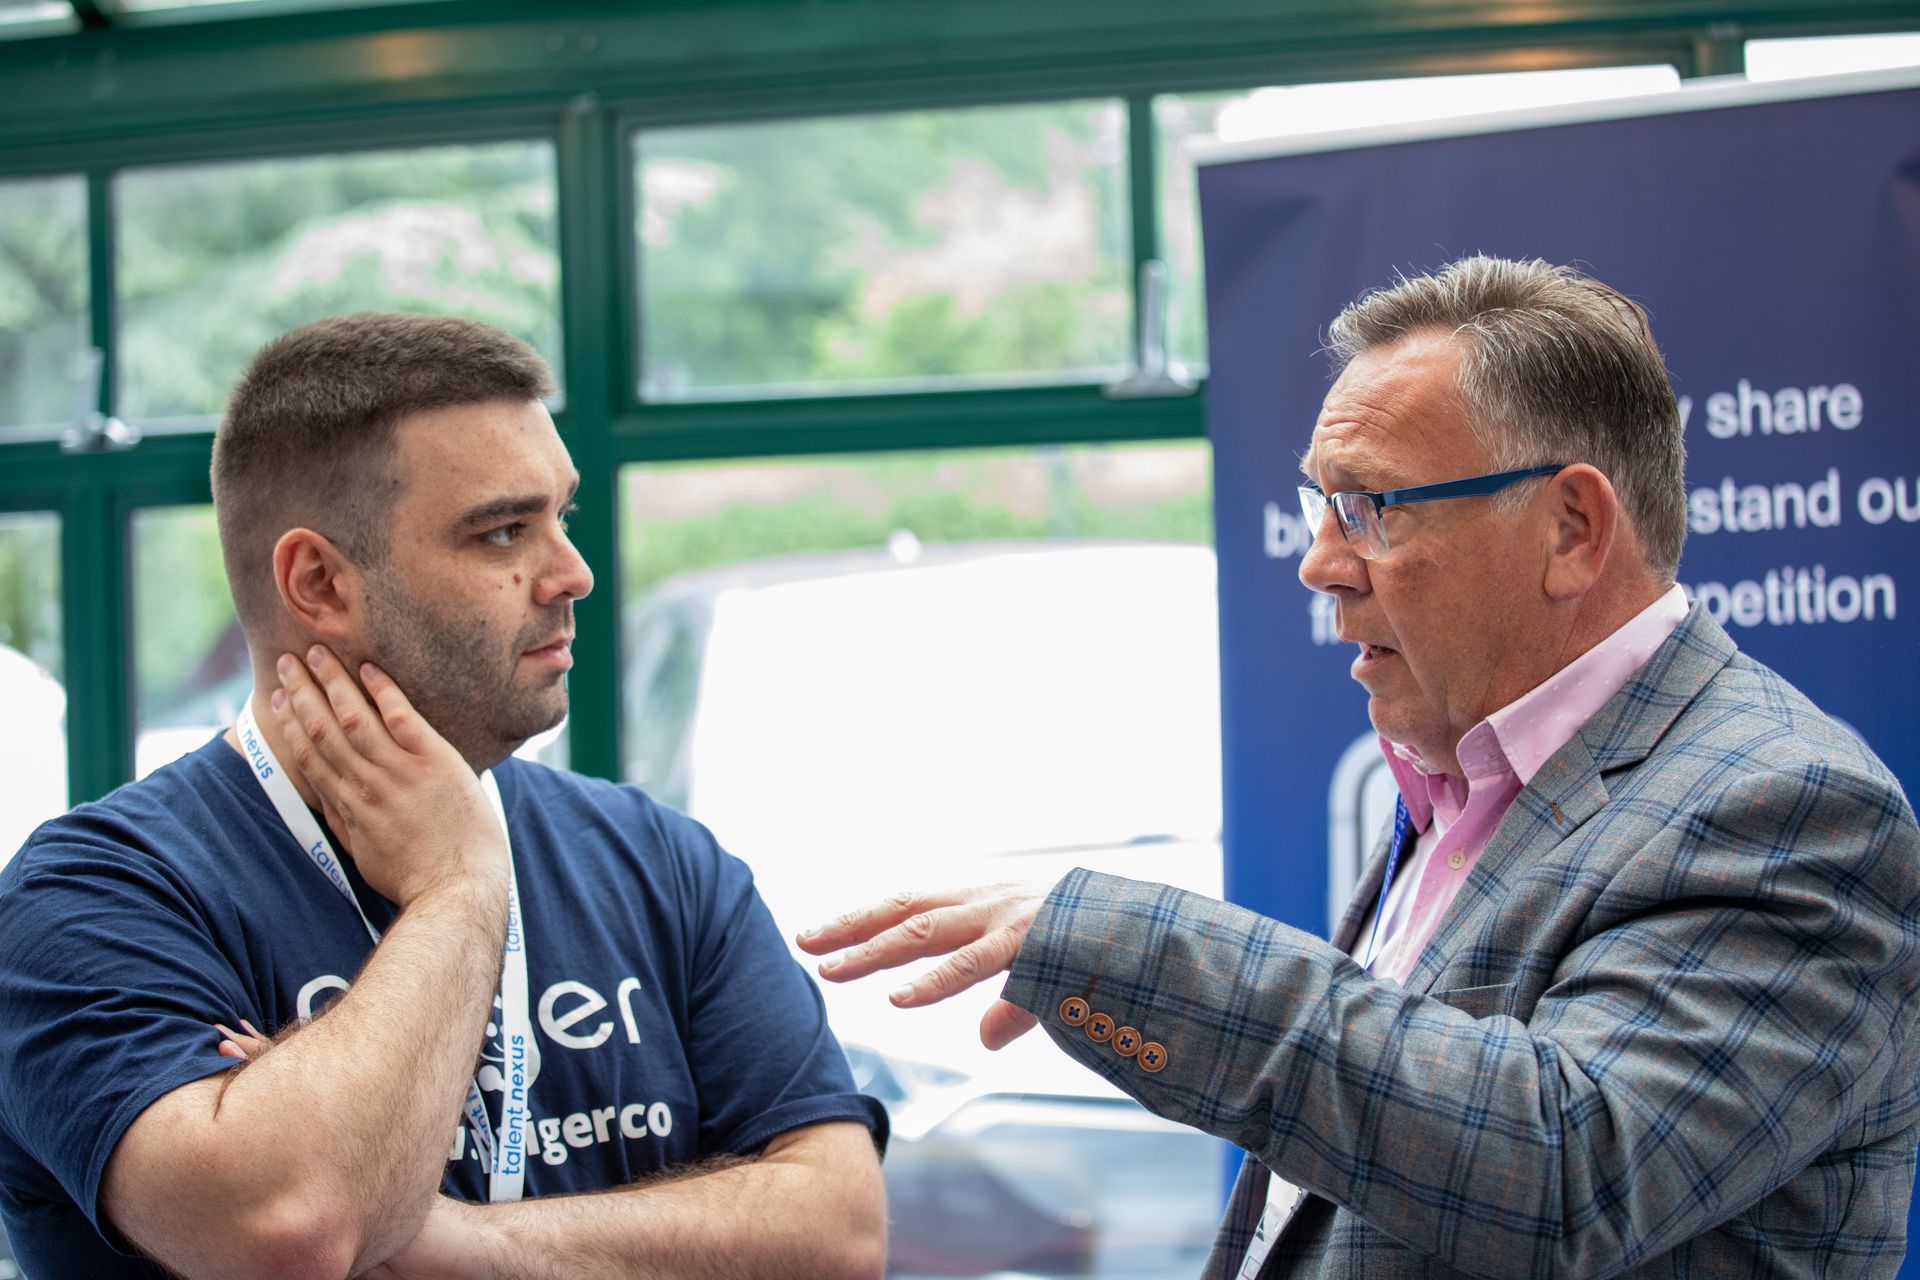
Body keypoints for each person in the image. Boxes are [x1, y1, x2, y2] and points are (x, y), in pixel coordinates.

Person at [800, 256, 1920, 1277]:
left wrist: (1136, 948)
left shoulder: (1790, 805)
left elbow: (1565, 1168)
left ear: (1573, 527)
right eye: (1320, 503)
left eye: (1371, 505)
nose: (1320, 563)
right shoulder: (1467, 781)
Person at [0, 314, 887, 1280]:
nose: (572, 574)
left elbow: (836, 1234)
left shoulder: (658, 858)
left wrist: (434, 1237)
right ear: (320, 582)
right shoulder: (88, 898)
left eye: (564, 517)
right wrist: (457, 888)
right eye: (503, 531)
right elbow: (290, 1228)